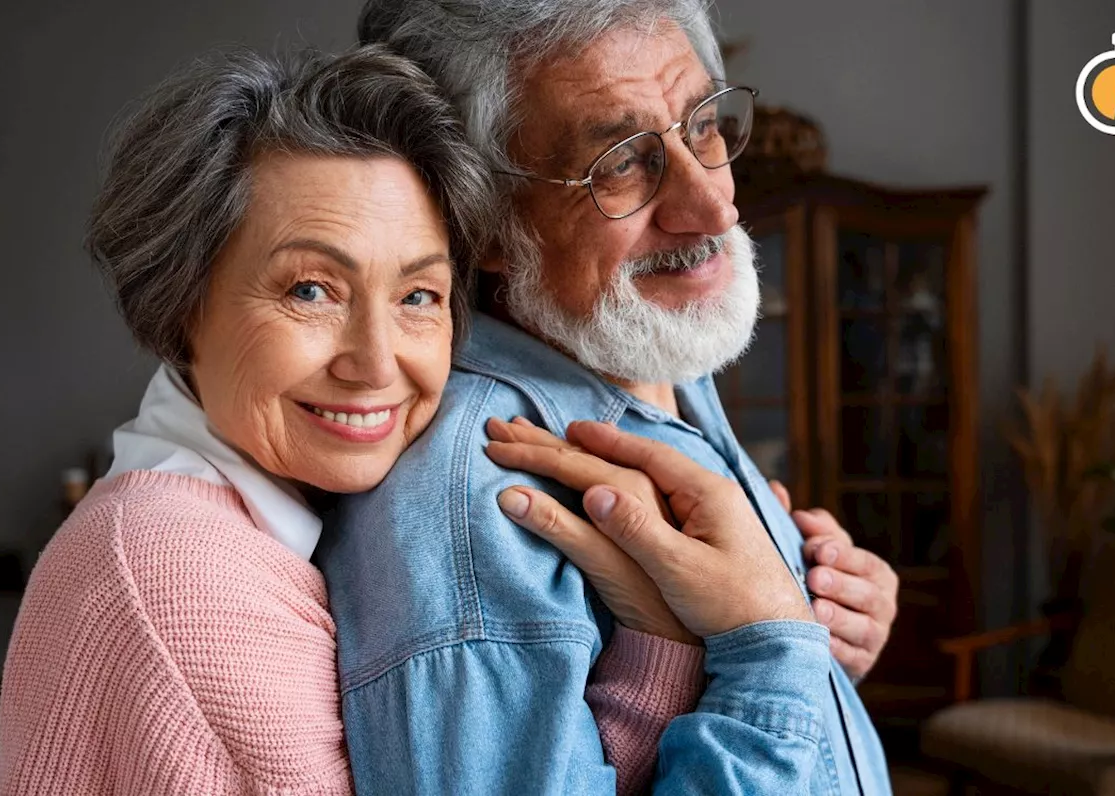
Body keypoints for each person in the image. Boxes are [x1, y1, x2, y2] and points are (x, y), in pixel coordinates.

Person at [0, 44, 715, 795]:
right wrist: (687, 653)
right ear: (180, 302)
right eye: (311, 290)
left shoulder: (236, 523)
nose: (375, 363)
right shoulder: (181, 572)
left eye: (418, 296)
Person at [313, 0, 900, 793]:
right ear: (480, 221)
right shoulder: (475, 504)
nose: (715, 206)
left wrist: (817, 649)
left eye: (704, 125)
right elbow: (765, 664)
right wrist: (773, 649)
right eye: (622, 161)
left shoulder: (649, 353)